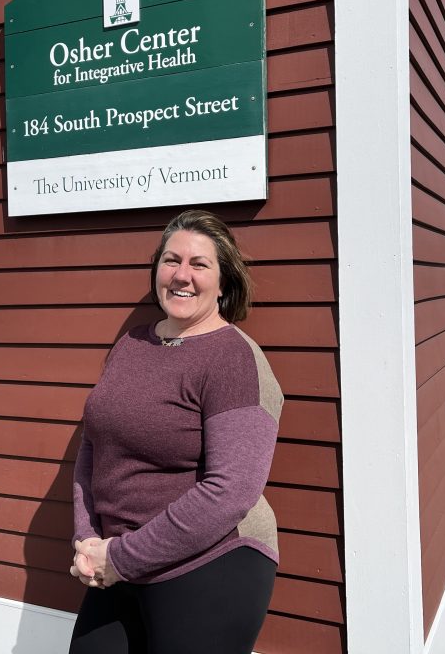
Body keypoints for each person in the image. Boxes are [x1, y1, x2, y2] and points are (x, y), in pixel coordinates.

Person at [68, 209, 284, 654]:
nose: (181, 276)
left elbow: (232, 490)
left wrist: (120, 557)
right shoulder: (132, 343)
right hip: (116, 557)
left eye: (199, 264)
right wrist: (87, 539)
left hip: (210, 558)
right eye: (171, 260)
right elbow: (93, 444)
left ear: (224, 282)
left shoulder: (233, 360)